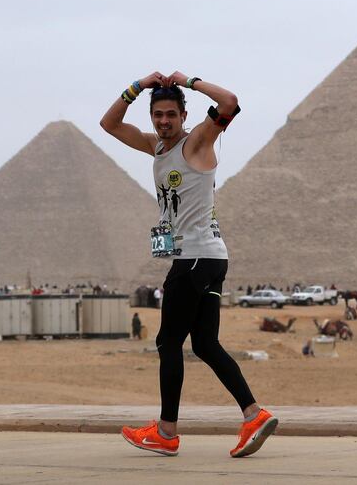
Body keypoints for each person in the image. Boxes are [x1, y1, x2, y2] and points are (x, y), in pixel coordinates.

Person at [101, 71, 276, 457]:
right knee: (206, 343)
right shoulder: (156, 148)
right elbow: (109, 124)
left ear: (184, 115)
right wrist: (139, 86)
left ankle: (166, 432)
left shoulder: (196, 142)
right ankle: (254, 415)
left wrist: (190, 80)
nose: (164, 121)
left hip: (195, 257)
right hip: (211, 258)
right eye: (157, 115)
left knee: (168, 342)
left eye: (171, 114)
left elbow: (229, 101)